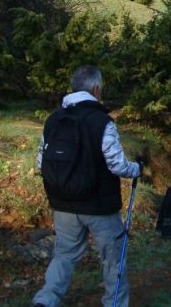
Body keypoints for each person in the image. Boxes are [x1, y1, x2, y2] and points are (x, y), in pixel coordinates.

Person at [32, 66, 142, 307]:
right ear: (96, 89)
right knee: (113, 259)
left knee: (64, 254)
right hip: (100, 206)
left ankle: (46, 300)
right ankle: (114, 303)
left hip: (63, 203)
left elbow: (41, 161)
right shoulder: (102, 121)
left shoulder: (54, 120)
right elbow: (116, 164)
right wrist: (137, 169)